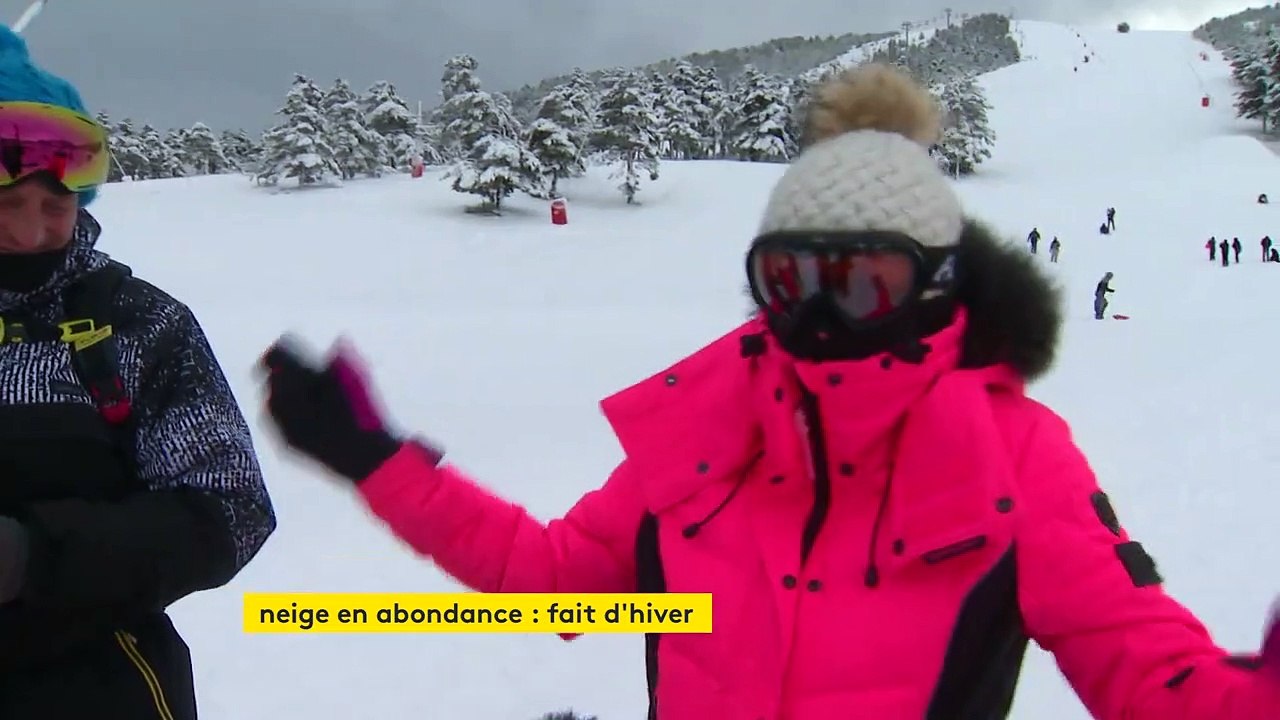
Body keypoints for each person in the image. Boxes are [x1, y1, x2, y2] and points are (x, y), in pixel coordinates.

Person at [260, 64, 1280, 720]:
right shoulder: (709, 435)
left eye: (861, 280)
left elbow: (1145, 671)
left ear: (932, 285)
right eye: (788, 278)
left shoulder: (1012, 458)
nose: (818, 315)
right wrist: (377, 461)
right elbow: (551, 576)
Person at [0, 26, 276, 719]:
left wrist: (33, 555)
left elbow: (231, 507)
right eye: (5, 205)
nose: (32, 233)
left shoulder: (138, 324)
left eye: (56, 206)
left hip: (101, 685)